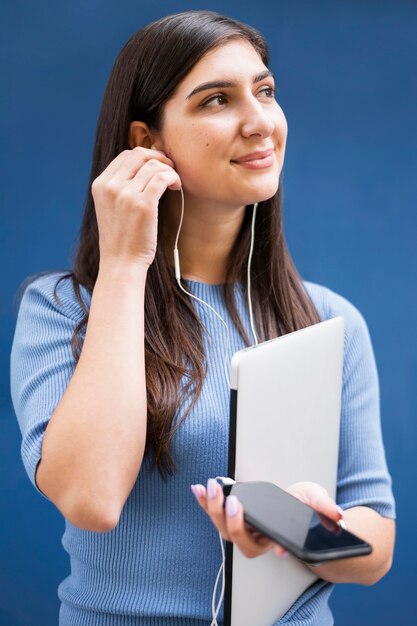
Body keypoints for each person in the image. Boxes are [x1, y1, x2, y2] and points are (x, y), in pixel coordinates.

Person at [10, 10, 396, 626]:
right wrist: (126, 265)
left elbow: (375, 549)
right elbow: (91, 499)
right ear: (146, 142)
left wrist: (305, 535)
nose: (260, 121)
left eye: (265, 91)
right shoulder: (65, 309)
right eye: (217, 99)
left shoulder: (328, 320)